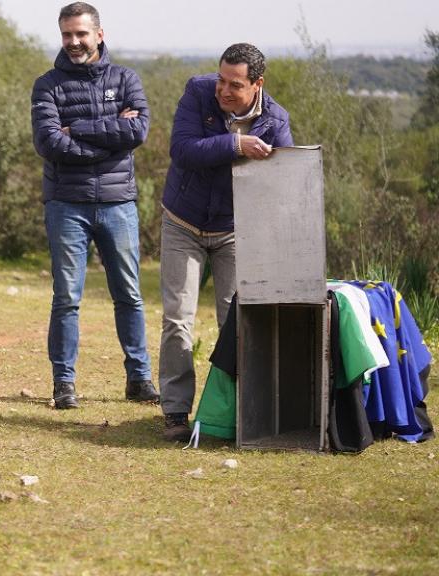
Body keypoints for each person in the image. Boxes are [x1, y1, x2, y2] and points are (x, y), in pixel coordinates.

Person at [159, 43, 293, 441]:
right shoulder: (197, 92)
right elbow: (182, 151)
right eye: (221, 79)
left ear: (257, 84)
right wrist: (236, 145)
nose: (223, 90)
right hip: (182, 222)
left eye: (235, 84)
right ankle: (175, 413)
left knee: (235, 323)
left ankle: (236, 414)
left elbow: (281, 186)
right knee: (177, 319)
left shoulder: (276, 122)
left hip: (236, 231)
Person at [31, 2, 157, 410]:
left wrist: (80, 130)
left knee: (130, 295)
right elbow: (48, 143)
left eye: (81, 34)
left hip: (118, 203)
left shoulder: (126, 79)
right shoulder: (46, 85)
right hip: (66, 203)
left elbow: (137, 131)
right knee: (67, 297)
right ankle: (63, 384)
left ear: (99, 35)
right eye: (67, 34)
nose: (74, 42)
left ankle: (139, 379)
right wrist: (108, 145)